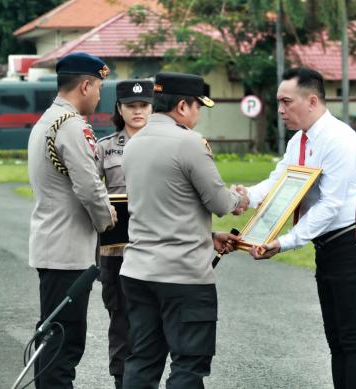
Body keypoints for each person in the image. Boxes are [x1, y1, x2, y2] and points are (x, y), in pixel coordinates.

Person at [240, 67, 356, 389]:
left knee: (355, 341)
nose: (281, 110)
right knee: (337, 341)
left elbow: (330, 206)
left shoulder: (339, 139)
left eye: (286, 102)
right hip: (327, 249)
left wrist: (285, 242)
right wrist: (244, 198)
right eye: (278, 102)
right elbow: (279, 183)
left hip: (351, 247)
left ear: (312, 100)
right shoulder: (299, 141)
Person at [119, 72, 249, 389]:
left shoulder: (134, 143)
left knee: (142, 360)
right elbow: (220, 202)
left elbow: (160, 208)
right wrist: (240, 198)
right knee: (188, 365)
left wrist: (208, 237)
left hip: (138, 271)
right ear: (182, 105)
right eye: (197, 107)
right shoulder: (188, 142)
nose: (198, 114)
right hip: (182, 276)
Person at [27, 52, 117, 388]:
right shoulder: (72, 126)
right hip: (67, 251)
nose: (98, 96)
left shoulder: (48, 120)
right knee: (63, 343)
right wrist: (108, 220)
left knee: (53, 337)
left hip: (54, 245)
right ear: (85, 85)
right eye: (98, 88)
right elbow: (90, 187)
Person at [96, 79, 154, 388]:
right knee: (120, 321)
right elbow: (91, 195)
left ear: (152, 107)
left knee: (152, 322)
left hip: (154, 249)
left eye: (143, 105)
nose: (137, 111)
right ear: (119, 108)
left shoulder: (166, 142)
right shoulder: (104, 147)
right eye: (131, 106)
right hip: (115, 251)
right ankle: (121, 381)